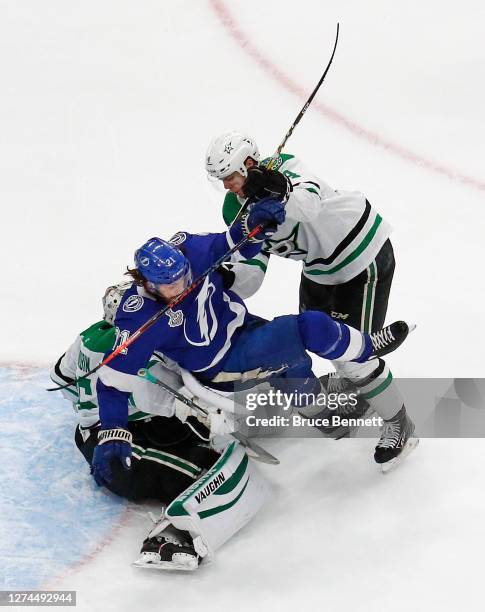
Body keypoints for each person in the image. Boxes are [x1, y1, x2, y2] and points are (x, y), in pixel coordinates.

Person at [90, 198, 411, 500]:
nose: (182, 285)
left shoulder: (188, 251)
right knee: (308, 327)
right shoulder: (138, 319)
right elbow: (112, 383)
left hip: (242, 326)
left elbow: (230, 240)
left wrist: (254, 222)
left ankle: (326, 417)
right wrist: (113, 432)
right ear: (148, 283)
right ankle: (368, 348)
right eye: (172, 285)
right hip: (224, 363)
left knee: (293, 362)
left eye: (183, 276)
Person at [205, 130, 415, 466]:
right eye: (220, 181)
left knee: (351, 356)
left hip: (360, 255)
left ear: (248, 165)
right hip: (319, 267)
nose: (227, 186)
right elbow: (252, 274)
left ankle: (399, 423)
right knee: (315, 338)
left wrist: (280, 189)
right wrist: (226, 277)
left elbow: (309, 206)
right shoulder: (235, 210)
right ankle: (364, 355)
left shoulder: (286, 167)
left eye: (229, 177)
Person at [50, 285, 268, 571]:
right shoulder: (135, 353)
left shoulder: (90, 336)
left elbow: (59, 377)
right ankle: (169, 538)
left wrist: (90, 407)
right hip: (111, 443)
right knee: (196, 470)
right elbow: (164, 396)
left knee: (187, 436)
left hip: (112, 429)